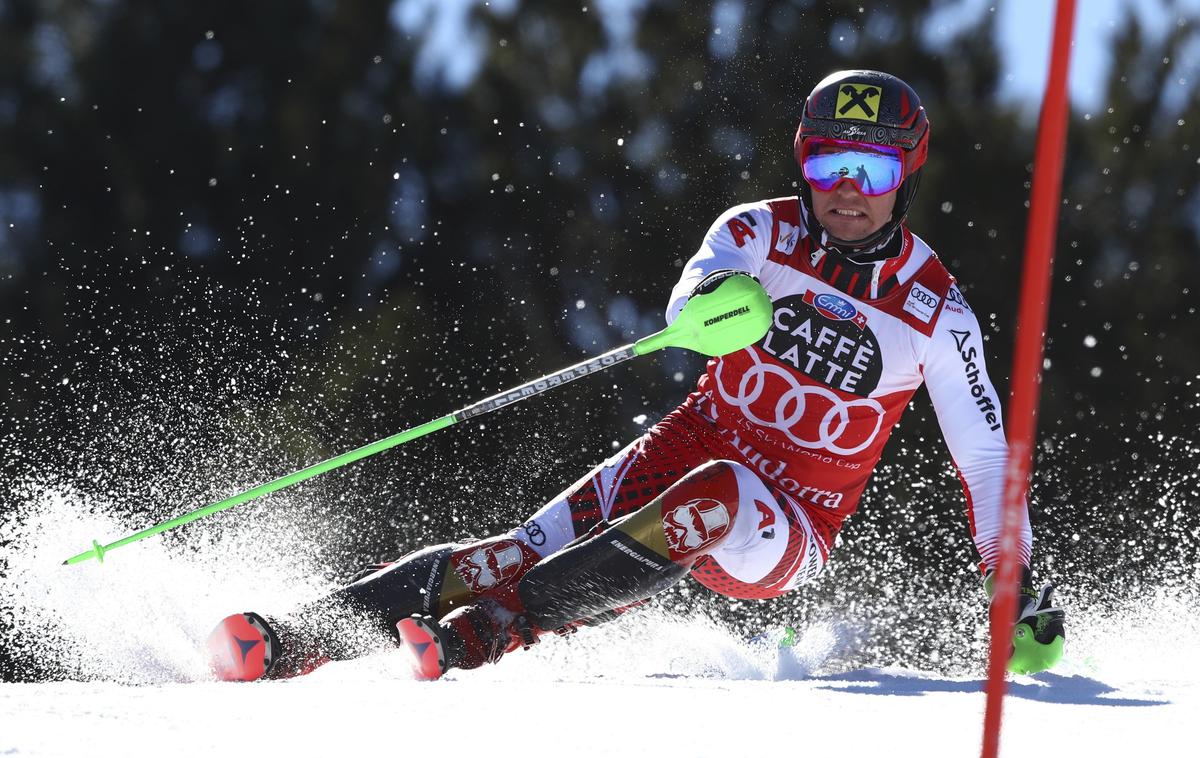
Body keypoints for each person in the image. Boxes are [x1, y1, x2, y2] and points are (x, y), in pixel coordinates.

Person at [207, 69, 1065, 683]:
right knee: (514, 548)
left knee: (722, 487)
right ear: (802, 164)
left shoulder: (933, 310)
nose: (847, 190)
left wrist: (1012, 572)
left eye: (871, 170)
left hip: (788, 524)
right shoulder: (759, 234)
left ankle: (501, 631)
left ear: (904, 178)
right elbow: (689, 293)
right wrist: (710, 303)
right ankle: (301, 636)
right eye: (827, 164)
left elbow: (986, 459)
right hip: (684, 446)